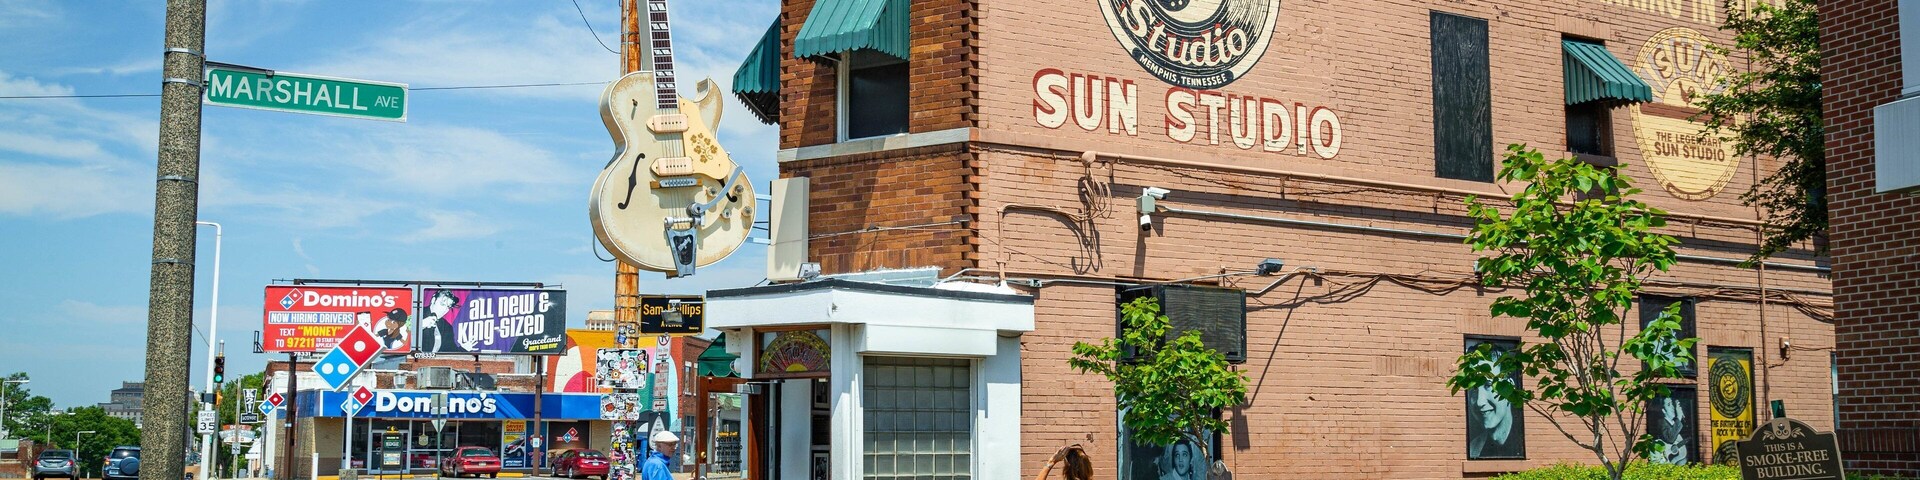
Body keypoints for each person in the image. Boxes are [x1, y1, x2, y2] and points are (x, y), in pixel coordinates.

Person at [1466, 352, 1521, 458]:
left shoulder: (1525, 439)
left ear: (1510, 388)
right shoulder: (1473, 448)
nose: (1479, 402)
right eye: (1474, 389)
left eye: (1489, 386)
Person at [1651, 395, 1690, 464]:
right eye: (1669, 405)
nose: (1672, 407)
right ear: (1663, 410)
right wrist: (1679, 417)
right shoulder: (1661, 423)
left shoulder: (1675, 423)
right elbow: (1670, 438)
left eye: (1672, 404)